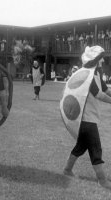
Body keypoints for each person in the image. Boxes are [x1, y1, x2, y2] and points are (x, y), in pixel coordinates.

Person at [63, 46, 111, 189]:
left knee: (80, 147)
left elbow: (106, 89)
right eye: (101, 57)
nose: (103, 60)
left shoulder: (96, 73)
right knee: (96, 149)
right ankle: (102, 180)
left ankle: (67, 169)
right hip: (87, 120)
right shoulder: (88, 75)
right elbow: (99, 94)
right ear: (96, 59)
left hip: (88, 119)